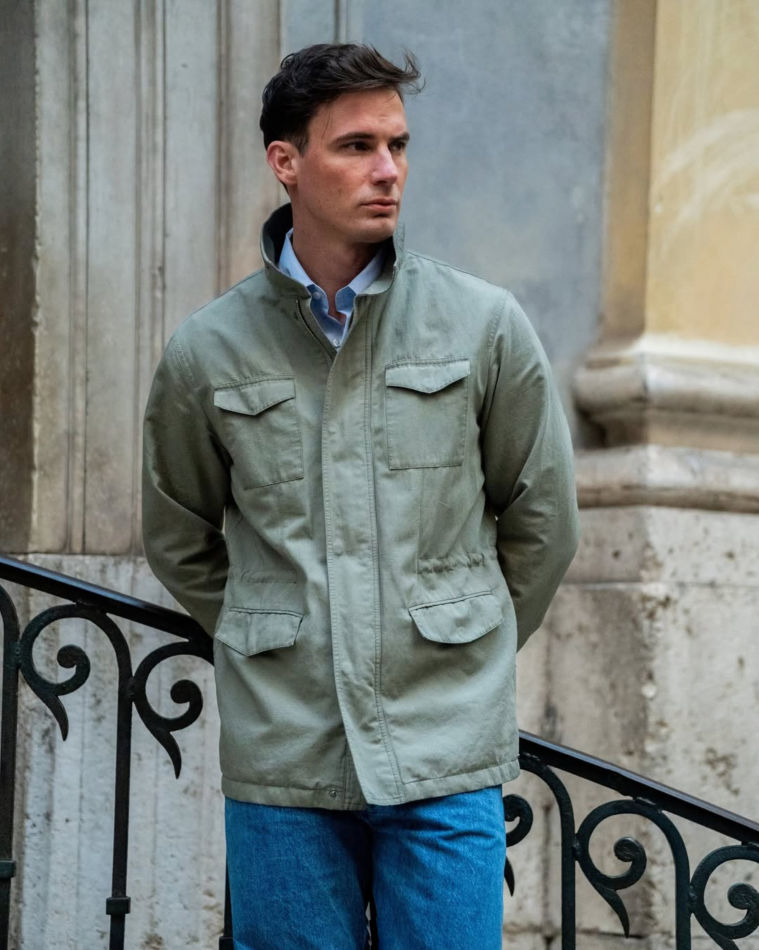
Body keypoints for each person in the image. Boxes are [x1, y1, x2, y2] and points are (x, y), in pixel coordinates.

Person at [142, 43, 579, 950]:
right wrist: (270, 632)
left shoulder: (482, 325)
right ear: (286, 161)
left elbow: (542, 521)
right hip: (285, 755)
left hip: (443, 746)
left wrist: (462, 641)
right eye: (355, 146)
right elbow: (179, 534)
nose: (388, 170)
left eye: (398, 144)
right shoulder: (207, 350)